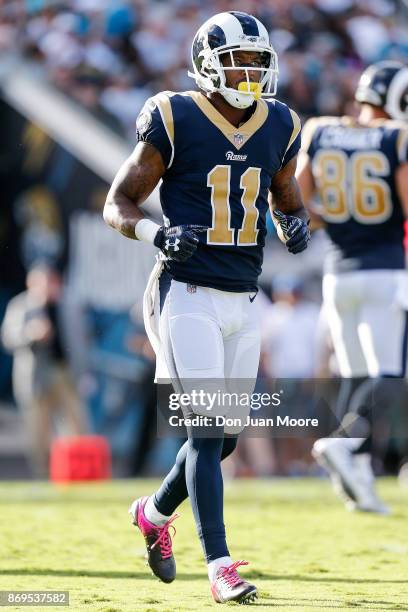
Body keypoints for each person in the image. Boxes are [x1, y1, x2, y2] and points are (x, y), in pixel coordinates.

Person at [104, 11, 310, 604]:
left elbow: (286, 198)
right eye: (236, 61)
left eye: (255, 62)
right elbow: (118, 203)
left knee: (222, 443)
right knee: (206, 429)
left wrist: (293, 226)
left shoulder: (280, 122)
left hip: (245, 293)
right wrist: (155, 235)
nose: (247, 72)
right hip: (185, 289)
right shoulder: (174, 113)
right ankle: (218, 565)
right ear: (206, 63)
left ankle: (152, 512)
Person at [296, 61, 408, 513]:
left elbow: (294, 199)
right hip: (385, 269)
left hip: (337, 272)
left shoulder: (320, 131)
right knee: (389, 374)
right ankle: (346, 444)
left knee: (356, 374)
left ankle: (358, 478)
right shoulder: (395, 138)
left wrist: (335, 220)